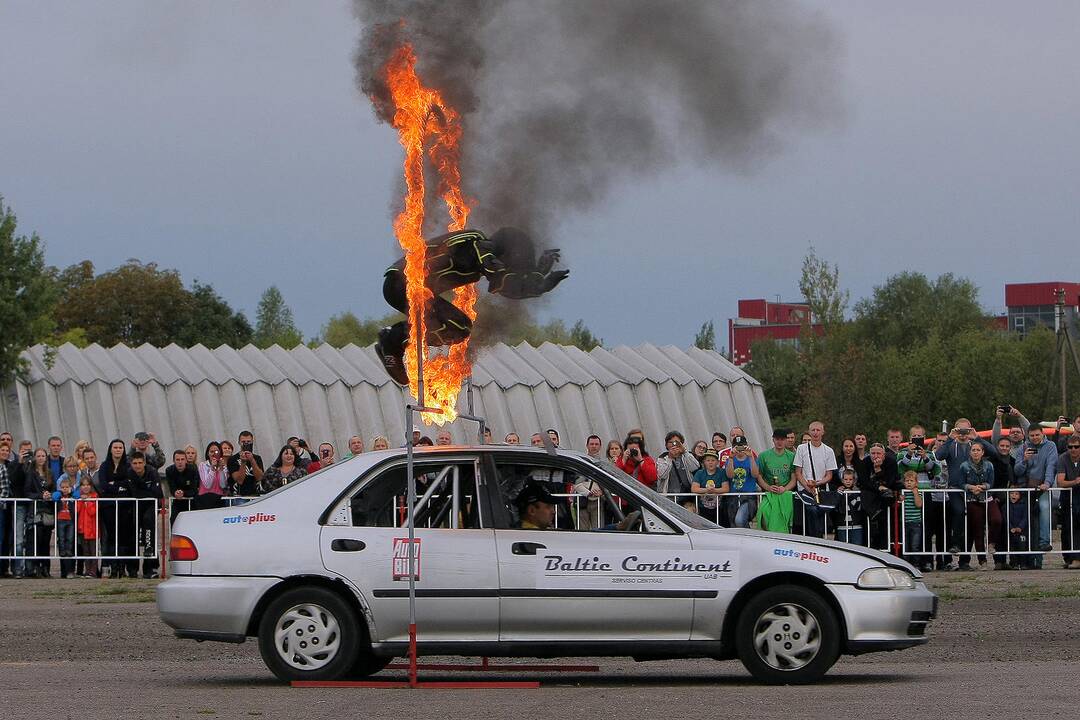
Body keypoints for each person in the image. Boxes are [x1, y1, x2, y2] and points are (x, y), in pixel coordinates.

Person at [376, 227, 570, 384]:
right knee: (457, 328)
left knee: (459, 329)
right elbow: (503, 279)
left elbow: (505, 286)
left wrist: (537, 276)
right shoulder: (477, 246)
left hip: (417, 290)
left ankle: (394, 337)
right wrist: (537, 278)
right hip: (402, 283)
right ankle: (392, 340)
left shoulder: (482, 253)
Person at [935, 419, 995, 562]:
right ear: (955, 430)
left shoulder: (974, 446)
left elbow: (993, 452)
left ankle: (965, 560)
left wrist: (977, 437)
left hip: (974, 490)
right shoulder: (951, 445)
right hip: (956, 489)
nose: (962, 434)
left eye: (965, 430)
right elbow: (938, 455)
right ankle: (955, 544)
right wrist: (950, 438)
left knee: (972, 523)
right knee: (959, 512)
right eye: (959, 430)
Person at [1013, 424, 1058, 563]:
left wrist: (1048, 483)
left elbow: (1051, 466)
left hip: (1043, 486)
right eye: (1032, 435)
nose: (1035, 438)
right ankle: (1026, 557)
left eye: (1037, 435)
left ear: (1042, 433)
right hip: (1026, 488)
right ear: (1028, 436)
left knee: (1045, 508)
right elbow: (1017, 471)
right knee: (1028, 520)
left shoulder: (1050, 446)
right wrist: (1025, 460)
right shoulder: (1023, 448)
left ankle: (1044, 542)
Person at [957, 443, 999, 570]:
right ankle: (982, 560)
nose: (975, 452)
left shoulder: (989, 465)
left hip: (986, 497)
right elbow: (960, 483)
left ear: (982, 452)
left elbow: (991, 482)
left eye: (978, 450)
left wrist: (983, 487)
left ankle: (991, 543)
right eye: (973, 450)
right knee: (978, 530)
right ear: (970, 452)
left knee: (997, 519)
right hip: (971, 499)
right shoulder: (964, 466)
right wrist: (971, 487)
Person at [793, 421, 837, 538]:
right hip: (805, 489)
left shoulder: (828, 451)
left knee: (819, 516)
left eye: (818, 430)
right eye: (813, 430)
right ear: (809, 432)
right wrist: (808, 486)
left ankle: (818, 541)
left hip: (821, 489)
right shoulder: (801, 449)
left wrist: (817, 483)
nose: (815, 433)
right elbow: (798, 472)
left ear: (823, 432)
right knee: (811, 512)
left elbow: (829, 475)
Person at [100, 441, 136, 578]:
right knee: (111, 537)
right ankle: (113, 567)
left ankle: (122, 566)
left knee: (123, 537)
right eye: (115, 447)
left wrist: (114, 484)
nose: (118, 450)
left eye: (120, 447)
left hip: (124, 507)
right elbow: (103, 484)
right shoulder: (104, 466)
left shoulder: (127, 466)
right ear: (110, 450)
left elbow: (128, 483)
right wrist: (118, 487)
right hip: (109, 507)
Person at [128, 451, 163, 578]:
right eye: (135, 463)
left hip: (151, 506)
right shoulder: (130, 473)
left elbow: (157, 493)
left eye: (140, 463)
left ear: (144, 463)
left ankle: (150, 568)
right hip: (136, 506)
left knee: (150, 532)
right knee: (134, 536)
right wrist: (147, 491)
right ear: (131, 464)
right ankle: (132, 569)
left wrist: (145, 491)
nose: (137, 466)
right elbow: (134, 493)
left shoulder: (152, 472)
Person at [755, 429, 796, 534]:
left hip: (785, 493)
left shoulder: (791, 456)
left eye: (782, 439)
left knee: (785, 518)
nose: (779, 442)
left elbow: (794, 478)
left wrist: (785, 488)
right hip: (769, 493)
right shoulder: (764, 456)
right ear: (773, 440)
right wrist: (768, 487)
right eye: (777, 439)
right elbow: (759, 475)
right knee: (764, 514)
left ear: (786, 440)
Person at [24, 447, 56, 577]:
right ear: (35, 458)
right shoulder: (31, 473)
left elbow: (54, 490)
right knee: (36, 540)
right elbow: (27, 492)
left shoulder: (50, 473)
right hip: (36, 511)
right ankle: (36, 568)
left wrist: (50, 494)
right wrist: (40, 496)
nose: (41, 458)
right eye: (39, 456)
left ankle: (46, 568)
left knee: (46, 541)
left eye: (43, 456)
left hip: (47, 511)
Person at [861, 444, 899, 551]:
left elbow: (891, 481)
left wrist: (878, 470)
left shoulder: (891, 461)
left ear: (884, 454)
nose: (875, 456)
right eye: (873, 453)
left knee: (886, 527)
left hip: (887, 499)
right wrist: (878, 487)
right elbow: (864, 482)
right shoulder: (866, 462)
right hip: (871, 497)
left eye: (878, 453)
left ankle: (887, 548)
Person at [655, 431, 699, 509]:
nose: (673, 445)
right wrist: (670, 458)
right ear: (666, 445)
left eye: (676, 442)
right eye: (670, 442)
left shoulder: (687, 455)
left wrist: (684, 452)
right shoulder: (662, 458)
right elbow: (662, 475)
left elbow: (695, 467)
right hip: (669, 498)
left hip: (687, 497)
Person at [724, 435, 760, 528]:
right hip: (733, 497)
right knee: (734, 524)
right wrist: (731, 458)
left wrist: (751, 456)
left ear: (746, 446)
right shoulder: (729, 460)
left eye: (742, 446)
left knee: (739, 520)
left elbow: (755, 475)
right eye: (737, 446)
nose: (740, 449)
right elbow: (730, 475)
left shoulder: (753, 459)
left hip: (749, 497)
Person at [1055, 437, 1080, 569]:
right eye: (1070, 447)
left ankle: (1076, 558)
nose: (1073, 449)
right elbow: (1060, 482)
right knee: (1068, 527)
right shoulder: (1063, 459)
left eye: (1076, 446)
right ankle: (1071, 558)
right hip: (1067, 498)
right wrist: (1075, 482)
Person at [692, 449, 729, 521]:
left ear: (717, 462)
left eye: (713, 460)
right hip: (703, 508)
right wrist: (707, 490)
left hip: (719, 508)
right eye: (708, 460)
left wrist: (714, 490)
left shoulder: (722, 472)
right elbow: (694, 488)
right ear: (704, 462)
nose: (710, 463)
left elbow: (726, 488)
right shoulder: (699, 473)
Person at [53, 476, 77, 578]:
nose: (65, 489)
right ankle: (63, 552)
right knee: (61, 539)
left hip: (70, 520)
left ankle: (69, 552)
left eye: (67, 487)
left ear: (70, 488)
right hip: (60, 520)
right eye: (63, 487)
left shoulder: (72, 496)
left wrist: (74, 493)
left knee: (70, 539)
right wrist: (57, 494)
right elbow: (54, 496)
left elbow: (78, 495)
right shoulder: (58, 496)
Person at [75, 475, 99, 578]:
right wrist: (81, 500)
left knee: (93, 551)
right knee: (85, 551)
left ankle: (93, 571)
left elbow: (92, 512)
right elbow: (77, 511)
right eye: (83, 485)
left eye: (88, 485)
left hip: (92, 529)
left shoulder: (95, 496)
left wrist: (87, 502)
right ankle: (87, 570)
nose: (85, 487)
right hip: (82, 529)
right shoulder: (79, 497)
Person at [166, 449, 199, 521]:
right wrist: (175, 493)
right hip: (177, 501)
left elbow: (194, 490)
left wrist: (183, 493)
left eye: (182, 459)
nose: (180, 462)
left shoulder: (193, 469)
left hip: (192, 501)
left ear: (186, 460)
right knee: (173, 520)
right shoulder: (169, 470)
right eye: (177, 460)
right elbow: (172, 487)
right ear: (173, 461)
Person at [228, 431, 264, 498]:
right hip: (238, 496)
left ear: (252, 442)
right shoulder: (233, 459)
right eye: (243, 442)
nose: (246, 444)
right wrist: (243, 462)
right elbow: (239, 480)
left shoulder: (257, 458)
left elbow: (260, 477)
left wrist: (252, 460)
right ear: (239, 442)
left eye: (248, 442)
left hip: (255, 495)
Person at [835, 469, 865, 548]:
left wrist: (850, 495)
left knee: (857, 549)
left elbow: (857, 507)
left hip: (856, 525)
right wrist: (841, 494)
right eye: (846, 479)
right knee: (844, 549)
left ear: (854, 480)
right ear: (842, 480)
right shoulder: (839, 492)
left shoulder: (858, 492)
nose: (848, 481)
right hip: (842, 526)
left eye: (850, 479)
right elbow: (838, 507)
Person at [901, 471, 924, 569]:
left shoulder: (918, 492)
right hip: (904, 523)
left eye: (911, 481)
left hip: (916, 523)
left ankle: (916, 564)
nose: (909, 483)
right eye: (907, 481)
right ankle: (906, 565)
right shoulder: (902, 492)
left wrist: (915, 494)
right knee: (905, 545)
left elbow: (919, 505)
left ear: (916, 483)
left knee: (915, 545)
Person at [195, 442, 229, 511]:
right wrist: (212, 468)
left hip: (219, 499)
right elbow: (207, 485)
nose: (214, 454)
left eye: (216, 452)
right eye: (211, 452)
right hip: (204, 498)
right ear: (208, 453)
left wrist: (221, 469)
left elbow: (223, 485)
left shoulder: (223, 466)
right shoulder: (203, 465)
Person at [1004, 488, 1031, 570]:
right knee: (1012, 546)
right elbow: (1005, 518)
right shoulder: (1006, 506)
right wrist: (1011, 527)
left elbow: (1025, 517)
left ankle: (1023, 563)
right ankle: (1014, 563)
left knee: (1022, 545)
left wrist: (1020, 527)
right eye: (1011, 493)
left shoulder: (1023, 505)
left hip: (1021, 530)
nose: (1013, 495)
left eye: (1016, 494)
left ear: (1020, 496)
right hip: (1011, 530)